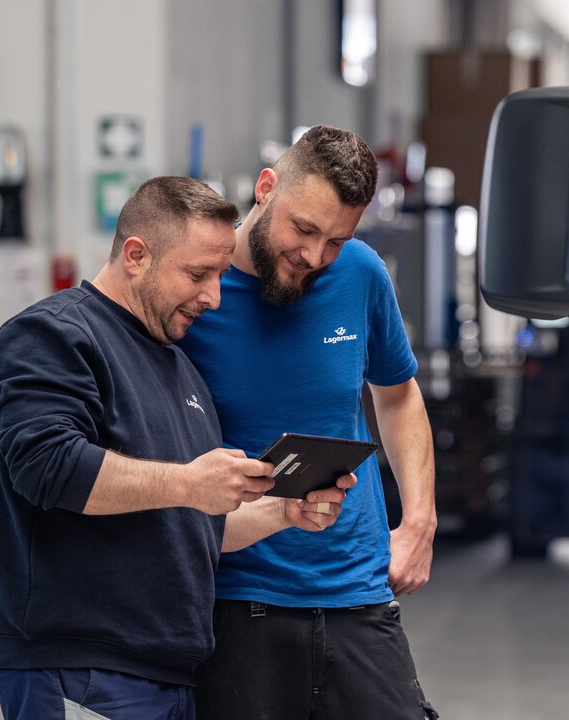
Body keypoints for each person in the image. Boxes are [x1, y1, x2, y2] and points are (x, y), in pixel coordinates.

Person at [0, 176, 355, 720]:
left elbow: (192, 523)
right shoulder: (54, 335)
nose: (213, 297)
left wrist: (283, 511)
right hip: (81, 669)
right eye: (197, 274)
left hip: (170, 674)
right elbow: (47, 467)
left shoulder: (182, 372)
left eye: (221, 276)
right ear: (136, 255)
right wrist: (187, 482)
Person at [178, 126, 439, 719]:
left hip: (357, 592)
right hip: (237, 600)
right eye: (304, 229)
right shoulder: (197, 291)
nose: (315, 256)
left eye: (336, 240)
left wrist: (419, 521)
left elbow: (398, 396)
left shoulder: (362, 275)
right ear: (266, 189)